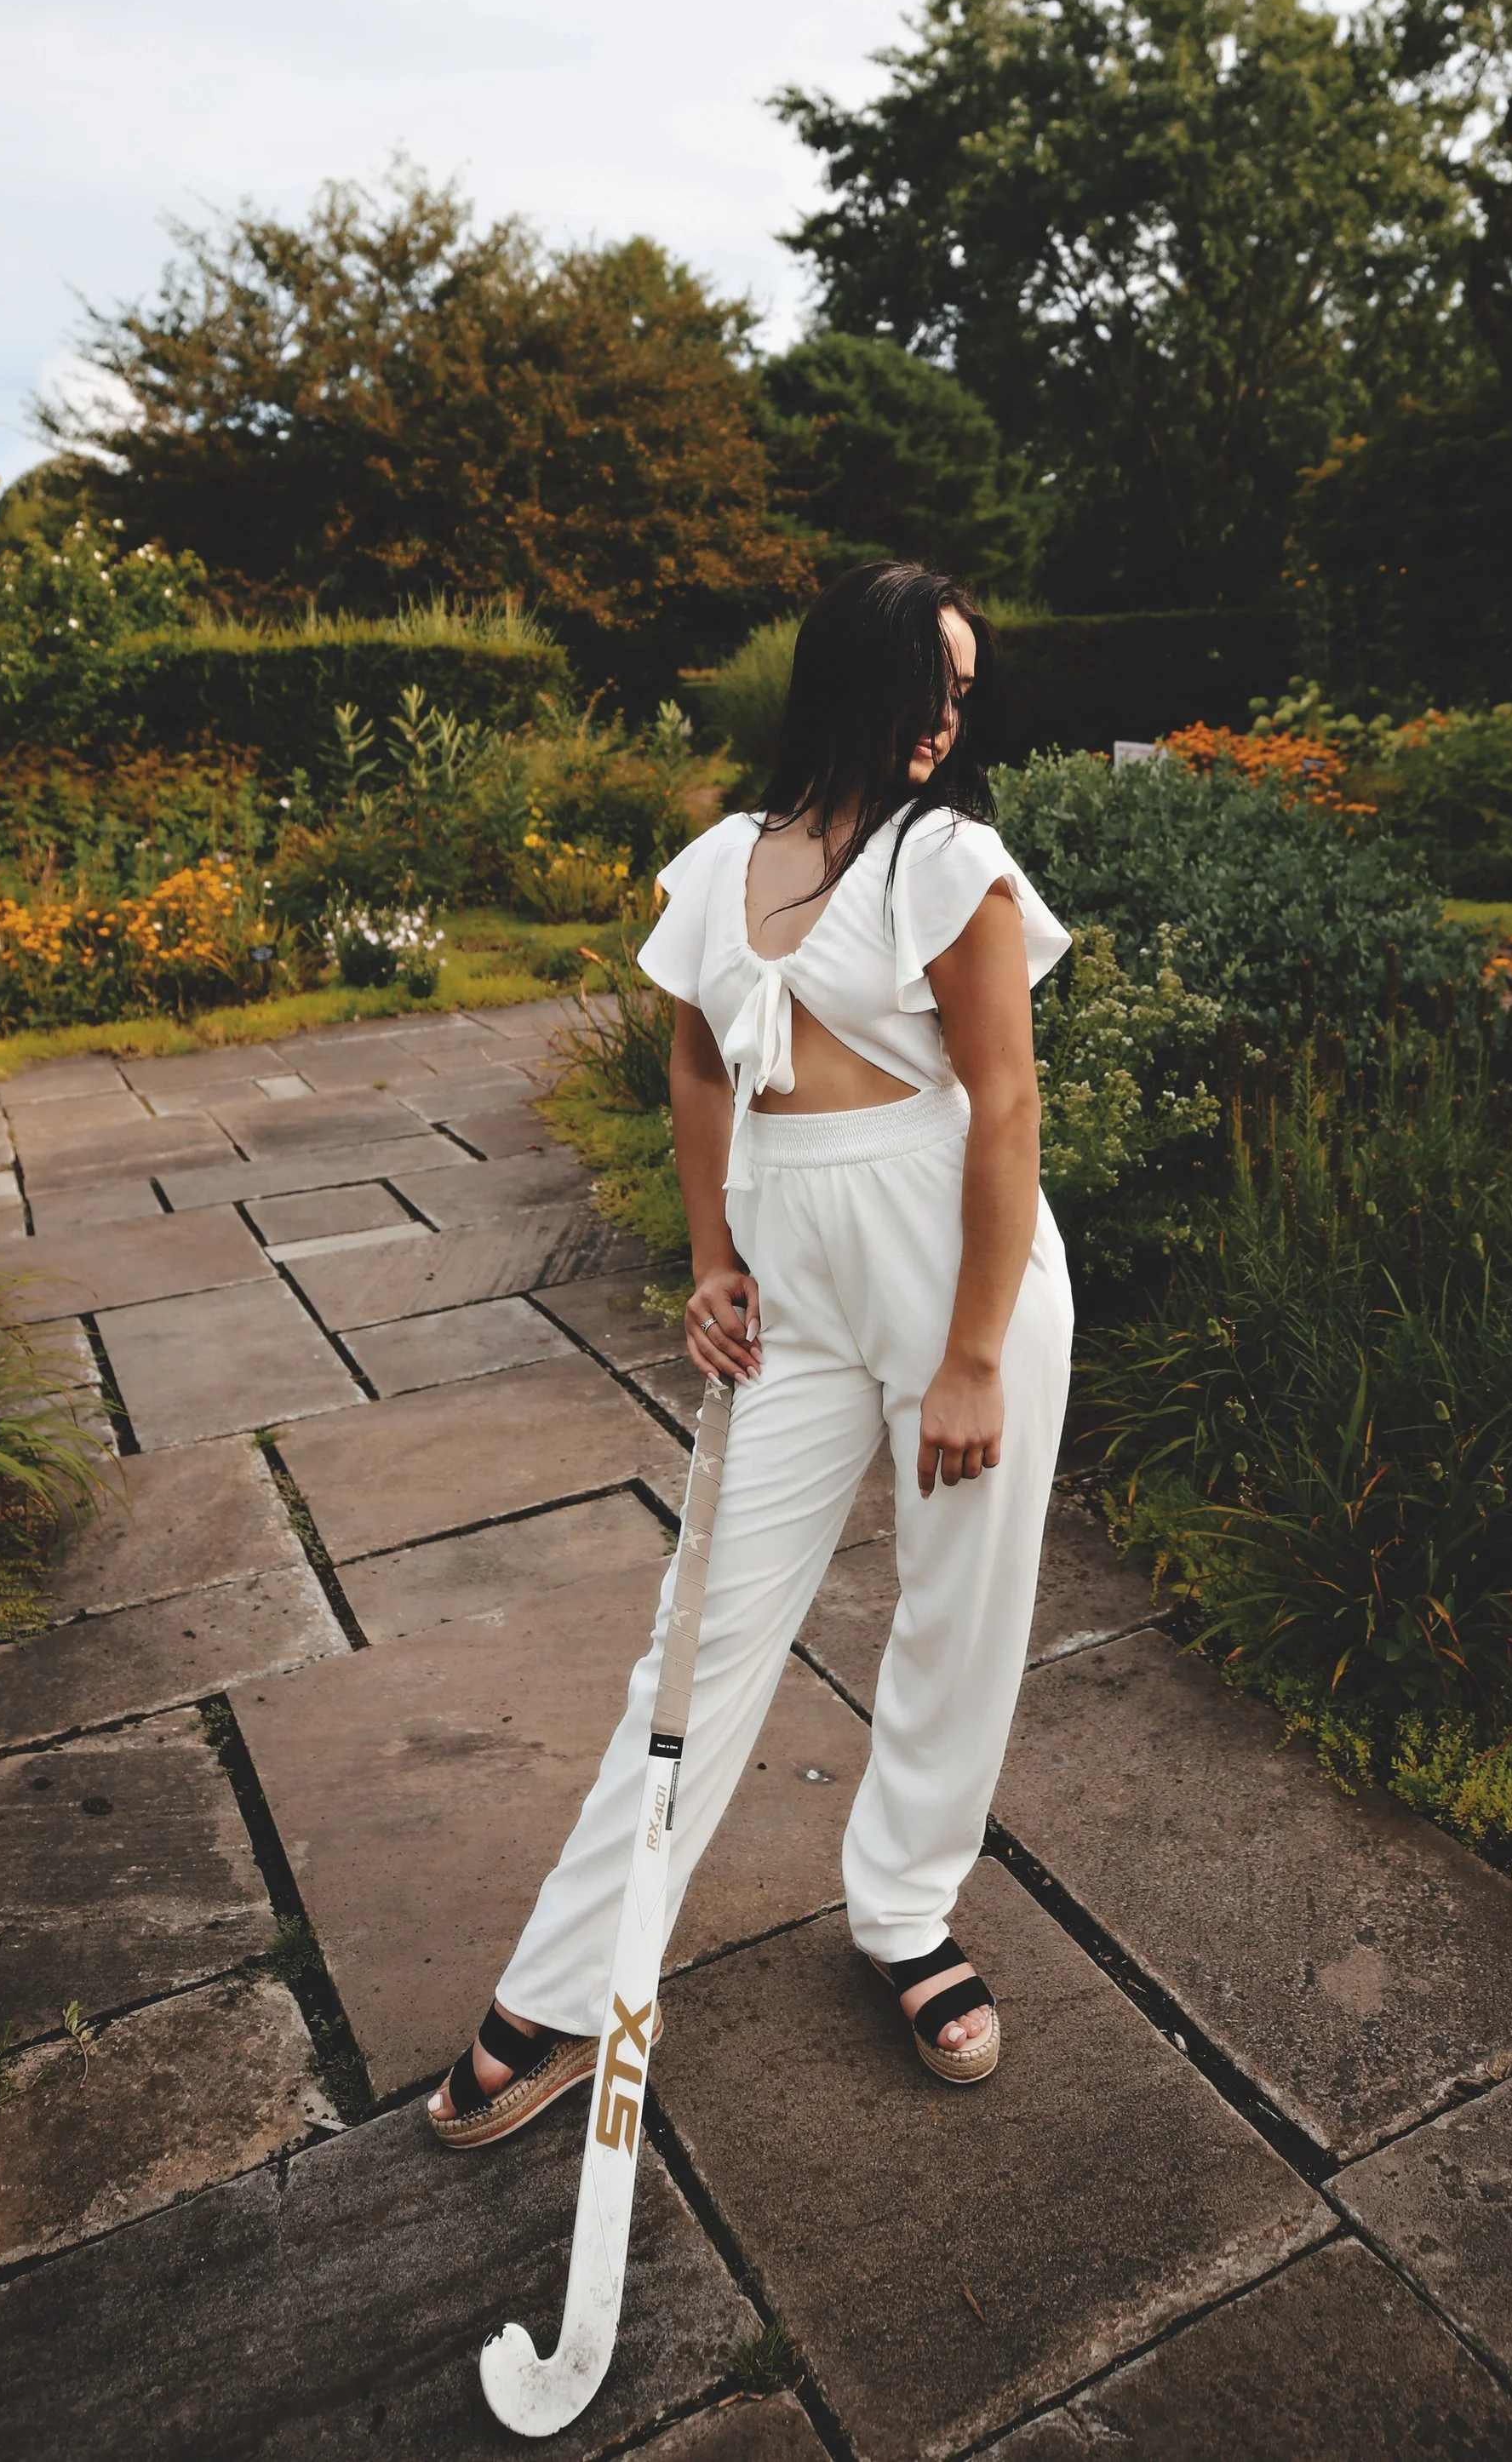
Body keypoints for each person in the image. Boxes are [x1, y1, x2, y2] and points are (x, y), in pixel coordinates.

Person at [427, 560, 1074, 2146]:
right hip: (789, 1273)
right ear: (854, 680)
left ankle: (905, 1914)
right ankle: (570, 1984)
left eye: (965, 694)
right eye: (933, 683)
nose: (948, 720)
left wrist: (975, 1350)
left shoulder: (951, 863)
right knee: (700, 1631)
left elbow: (1006, 1104)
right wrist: (713, 1255)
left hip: (955, 1270)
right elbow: (701, 1060)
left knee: (958, 1612)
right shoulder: (723, 859)